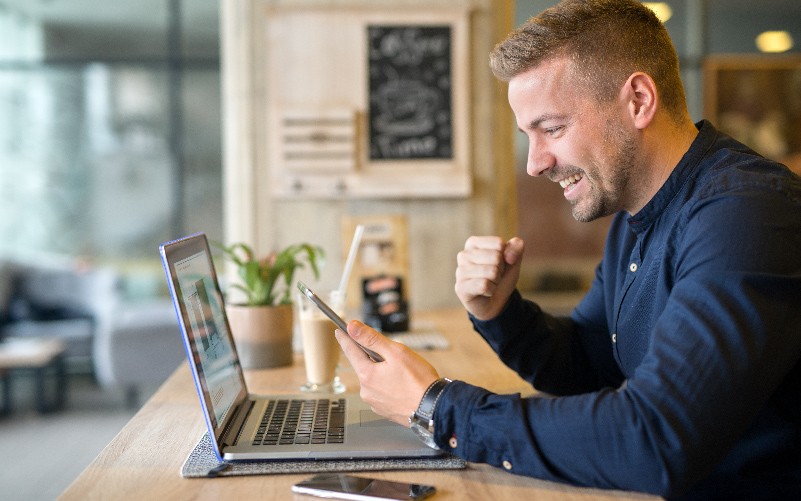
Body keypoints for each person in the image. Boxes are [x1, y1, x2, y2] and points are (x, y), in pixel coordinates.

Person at [334, 0, 801, 498]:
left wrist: (437, 406)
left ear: (639, 100)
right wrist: (501, 314)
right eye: (528, 135)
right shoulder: (635, 215)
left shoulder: (748, 213)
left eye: (552, 129)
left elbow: (654, 438)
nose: (535, 163)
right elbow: (589, 363)